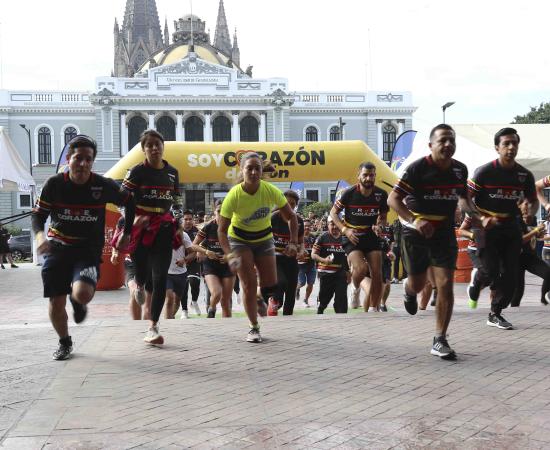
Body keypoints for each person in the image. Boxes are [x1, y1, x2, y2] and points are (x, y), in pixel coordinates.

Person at [32, 135, 134, 360]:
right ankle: (64, 342)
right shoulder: (54, 184)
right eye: (78, 158)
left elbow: (130, 201)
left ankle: (78, 302)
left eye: (88, 159)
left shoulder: (103, 185)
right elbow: (38, 216)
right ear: (69, 158)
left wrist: (127, 234)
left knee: (83, 294)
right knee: (56, 300)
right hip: (58, 248)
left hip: (88, 250)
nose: (83, 164)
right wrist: (40, 237)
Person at [388, 124, 478, 360]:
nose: (448, 145)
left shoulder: (460, 170)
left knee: (445, 283)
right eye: (442, 141)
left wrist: (478, 215)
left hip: (444, 232)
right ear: (431, 145)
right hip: (415, 232)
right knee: (418, 284)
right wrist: (415, 220)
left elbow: (464, 200)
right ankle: (409, 290)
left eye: (451, 140)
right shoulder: (417, 169)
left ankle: (440, 339)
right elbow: (393, 199)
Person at [218, 152, 298, 343]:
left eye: (257, 168)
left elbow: (291, 217)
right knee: (248, 284)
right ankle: (254, 327)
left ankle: (260, 296)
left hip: (263, 239)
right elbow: (221, 230)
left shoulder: (270, 190)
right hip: (240, 240)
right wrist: (229, 254)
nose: (253, 172)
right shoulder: (234, 195)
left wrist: (293, 242)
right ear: (242, 170)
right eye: (249, 168)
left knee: (271, 283)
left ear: (262, 171)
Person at [468, 127, 538, 330]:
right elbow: (465, 199)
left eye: (514, 143)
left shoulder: (524, 175)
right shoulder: (484, 172)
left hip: (511, 227)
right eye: (506, 143)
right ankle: (477, 281)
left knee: (510, 276)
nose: (511, 147)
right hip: (486, 228)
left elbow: (533, 201)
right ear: (497, 148)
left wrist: (531, 211)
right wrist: (480, 218)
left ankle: (495, 313)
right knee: (490, 271)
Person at [122, 129, 182, 345]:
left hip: (163, 229)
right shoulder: (136, 171)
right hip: (141, 229)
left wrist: (178, 223)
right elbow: (122, 200)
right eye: (150, 145)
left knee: (160, 279)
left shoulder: (172, 172)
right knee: (142, 272)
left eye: (158, 144)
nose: (155, 148)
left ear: (163, 146)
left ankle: (153, 326)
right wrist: (132, 220)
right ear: (143, 149)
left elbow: (177, 200)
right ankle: (138, 284)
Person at [330, 162, 388, 311]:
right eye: (365, 175)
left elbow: (383, 217)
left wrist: (380, 226)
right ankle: (355, 289)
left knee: (377, 273)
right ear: (358, 176)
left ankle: (374, 309)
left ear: (375, 176)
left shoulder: (381, 194)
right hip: (352, 236)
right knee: (361, 268)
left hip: (370, 235)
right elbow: (333, 213)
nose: (368, 178)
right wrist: (345, 230)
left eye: (371, 175)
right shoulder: (349, 193)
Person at [193, 200, 235, 318]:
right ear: (214, 212)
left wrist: (229, 256)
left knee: (226, 301)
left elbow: (243, 247)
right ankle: (211, 309)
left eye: (224, 211)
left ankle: (228, 326)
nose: (221, 214)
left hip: (228, 265)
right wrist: (206, 252)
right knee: (216, 293)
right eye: (219, 211)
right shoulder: (208, 227)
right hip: (211, 265)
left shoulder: (234, 226)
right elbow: (193, 245)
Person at [270, 190, 304, 315]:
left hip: (291, 259)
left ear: (296, 205)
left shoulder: (299, 220)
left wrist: (301, 251)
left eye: (292, 204)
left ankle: (288, 319)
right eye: (286, 203)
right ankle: (274, 300)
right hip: (274, 258)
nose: (289, 206)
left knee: (291, 290)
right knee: (281, 282)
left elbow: (301, 242)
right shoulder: (273, 217)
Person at [110, 215, 151, 320]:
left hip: (149, 262)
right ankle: (136, 325)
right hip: (131, 262)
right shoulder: (123, 219)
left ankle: (148, 326)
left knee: (149, 300)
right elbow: (116, 238)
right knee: (134, 292)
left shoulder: (153, 216)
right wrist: (114, 253)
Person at [510, 200, 549, 307]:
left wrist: (539, 233)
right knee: (518, 291)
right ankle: (513, 311)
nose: (529, 206)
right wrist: (536, 231)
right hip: (516, 258)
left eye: (530, 204)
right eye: (526, 204)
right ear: (518, 205)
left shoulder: (532, 218)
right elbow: (520, 240)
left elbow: (535, 236)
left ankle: (544, 299)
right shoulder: (513, 220)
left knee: (548, 273)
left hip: (530, 256)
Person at [311, 216, 350, 314]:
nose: (335, 227)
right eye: (332, 224)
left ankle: (342, 317)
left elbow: (346, 257)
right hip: (325, 273)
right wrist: (324, 260)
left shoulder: (345, 238)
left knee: (341, 299)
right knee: (324, 299)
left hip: (341, 273)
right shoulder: (322, 237)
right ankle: (320, 308)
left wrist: (348, 272)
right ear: (328, 225)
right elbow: (313, 255)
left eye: (336, 224)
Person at [458, 214, 491, 309]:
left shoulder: (501, 211)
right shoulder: (473, 212)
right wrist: (472, 235)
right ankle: (474, 288)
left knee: (494, 278)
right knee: (484, 271)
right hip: (475, 249)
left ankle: (494, 311)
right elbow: (461, 230)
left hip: (493, 250)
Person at [180, 210, 202, 317]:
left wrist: (199, 252)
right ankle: (184, 311)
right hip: (181, 262)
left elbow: (201, 244)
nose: (188, 221)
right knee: (184, 286)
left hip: (193, 261)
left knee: (194, 282)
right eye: (186, 219)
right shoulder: (178, 231)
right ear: (182, 220)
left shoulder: (197, 231)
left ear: (193, 220)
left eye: (190, 219)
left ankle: (194, 301)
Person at [296, 219, 317, 307]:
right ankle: (297, 289)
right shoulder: (297, 237)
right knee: (302, 282)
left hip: (311, 264)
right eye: (305, 226)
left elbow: (317, 249)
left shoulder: (314, 238)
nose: (307, 227)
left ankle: (305, 300)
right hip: (300, 265)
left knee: (311, 283)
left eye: (309, 226)